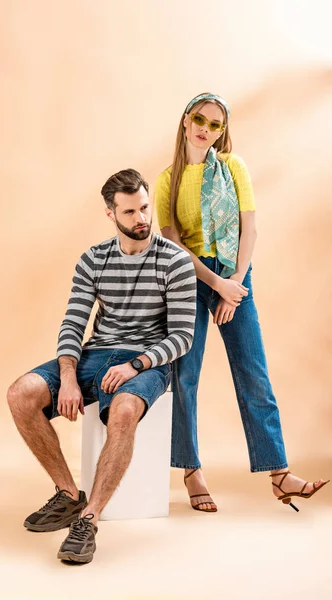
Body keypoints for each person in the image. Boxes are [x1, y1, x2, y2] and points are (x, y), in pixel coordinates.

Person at [7, 168, 197, 564]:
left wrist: (136, 365)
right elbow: (74, 322)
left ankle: (88, 519)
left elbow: (182, 337)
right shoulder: (93, 259)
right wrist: (68, 376)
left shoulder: (176, 261)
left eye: (144, 208)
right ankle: (67, 494)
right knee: (20, 393)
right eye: (129, 212)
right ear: (110, 213)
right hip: (97, 354)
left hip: (148, 360)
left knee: (124, 410)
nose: (141, 219)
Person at [155, 92, 329, 513]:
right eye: (200, 119)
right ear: (185, 120)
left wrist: (234, 283)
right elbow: (174, 245)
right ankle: (191, 469)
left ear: (223, 131)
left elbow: (249, 228)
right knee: (186, 375)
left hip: (236, 274)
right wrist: (215, 283)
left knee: (253, 370)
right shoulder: (167, 180)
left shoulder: (234, 167)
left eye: (216, 124)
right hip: (191, 278)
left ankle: (279, 472)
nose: (206, 129)